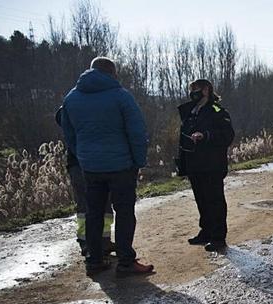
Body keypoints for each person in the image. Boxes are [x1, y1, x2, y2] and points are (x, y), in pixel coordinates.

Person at [60, 57, 154, 276]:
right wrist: (138, 161)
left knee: (93, 213)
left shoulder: (71, 98)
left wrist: (83, 157)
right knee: (124, 212)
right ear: (112, 73)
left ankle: (94, 260)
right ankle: (126, 262)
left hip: (90, 168)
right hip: (121, 165)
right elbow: (137, 132)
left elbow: (69, 134)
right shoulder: (121, 96)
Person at [177, 79, 235, 253]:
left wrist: (206, 135)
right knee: (201, 200)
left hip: (212, 165)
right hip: (194, 164)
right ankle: (206, 232)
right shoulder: (190, 112)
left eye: (197, 89)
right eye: (192, 89)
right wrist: (182, 162)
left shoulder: (217, 111)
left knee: (215, 201)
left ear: (207, 90)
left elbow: (227, 135)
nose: (193, 92)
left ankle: (218, 237)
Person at [55, 107, 116, 258]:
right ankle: (88, 243)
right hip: (80, 164)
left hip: (95, 162)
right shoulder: (73, 107)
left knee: (104, 203)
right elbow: (61, 117)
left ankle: (103, 240)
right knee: (86, 205)